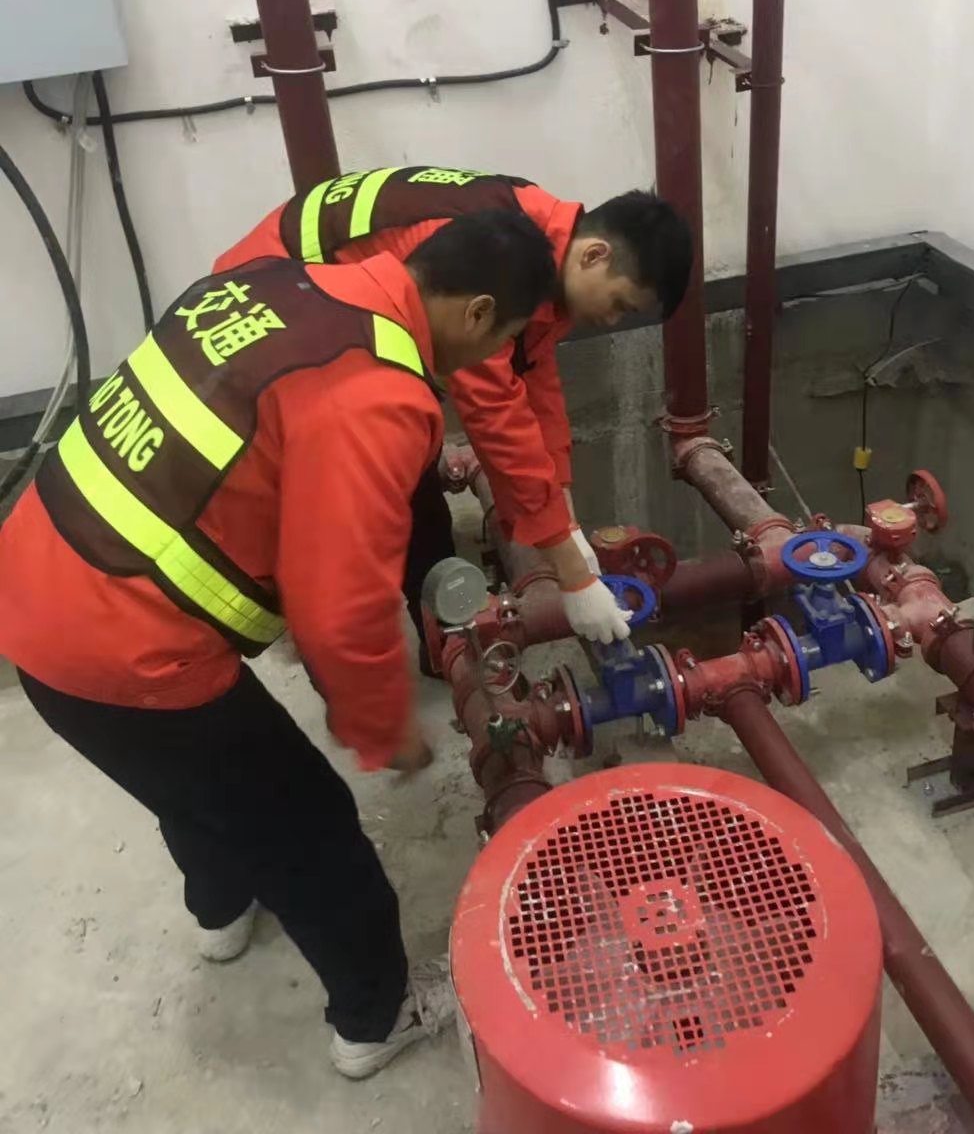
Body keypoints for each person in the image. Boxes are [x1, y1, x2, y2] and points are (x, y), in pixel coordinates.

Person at [0, 210, 557, 1079]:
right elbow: (343, 606)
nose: (490, 359)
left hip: (34, 591)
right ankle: (376, 1018)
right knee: (310, 825)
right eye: (505, 338)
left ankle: (222, 910)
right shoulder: (380, 391)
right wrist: (382, 730)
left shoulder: (272, 283)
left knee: (191, 785)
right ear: (480, 312)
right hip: (129, 647)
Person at [216, 168, 693, 665]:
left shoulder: (538, 234)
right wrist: (572, 573)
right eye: (619, 304)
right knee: (377, 480)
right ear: (595, 255)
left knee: (408, 472)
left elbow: (536, 387)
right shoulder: (496, 262)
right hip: (266, 311)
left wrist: (566, 522)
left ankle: (435, 642)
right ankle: (345, 643)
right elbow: (496, 414)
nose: (612, 320)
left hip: (302, 298)